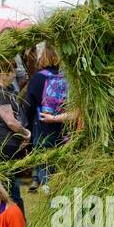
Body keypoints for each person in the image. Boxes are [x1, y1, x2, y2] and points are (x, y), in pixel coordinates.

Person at [0, 62, 32, 212]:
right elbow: (10, 121)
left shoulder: (6, 91)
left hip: (10, 144)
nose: (14, 74)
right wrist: (26, 134)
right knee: (10, 189)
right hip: (3, 144)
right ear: (3, 73)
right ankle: (17, 221)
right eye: (12, 71)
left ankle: (16, 221)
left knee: (10, 185)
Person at [24, 47, 67, 192]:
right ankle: (61, 188)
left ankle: (48, 189)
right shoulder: (65, 77)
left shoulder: (37, 78)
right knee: (60, 160)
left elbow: (29, 105)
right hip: (63, 126)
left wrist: (26, 127)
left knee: (44, 161)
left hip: (42, 126)